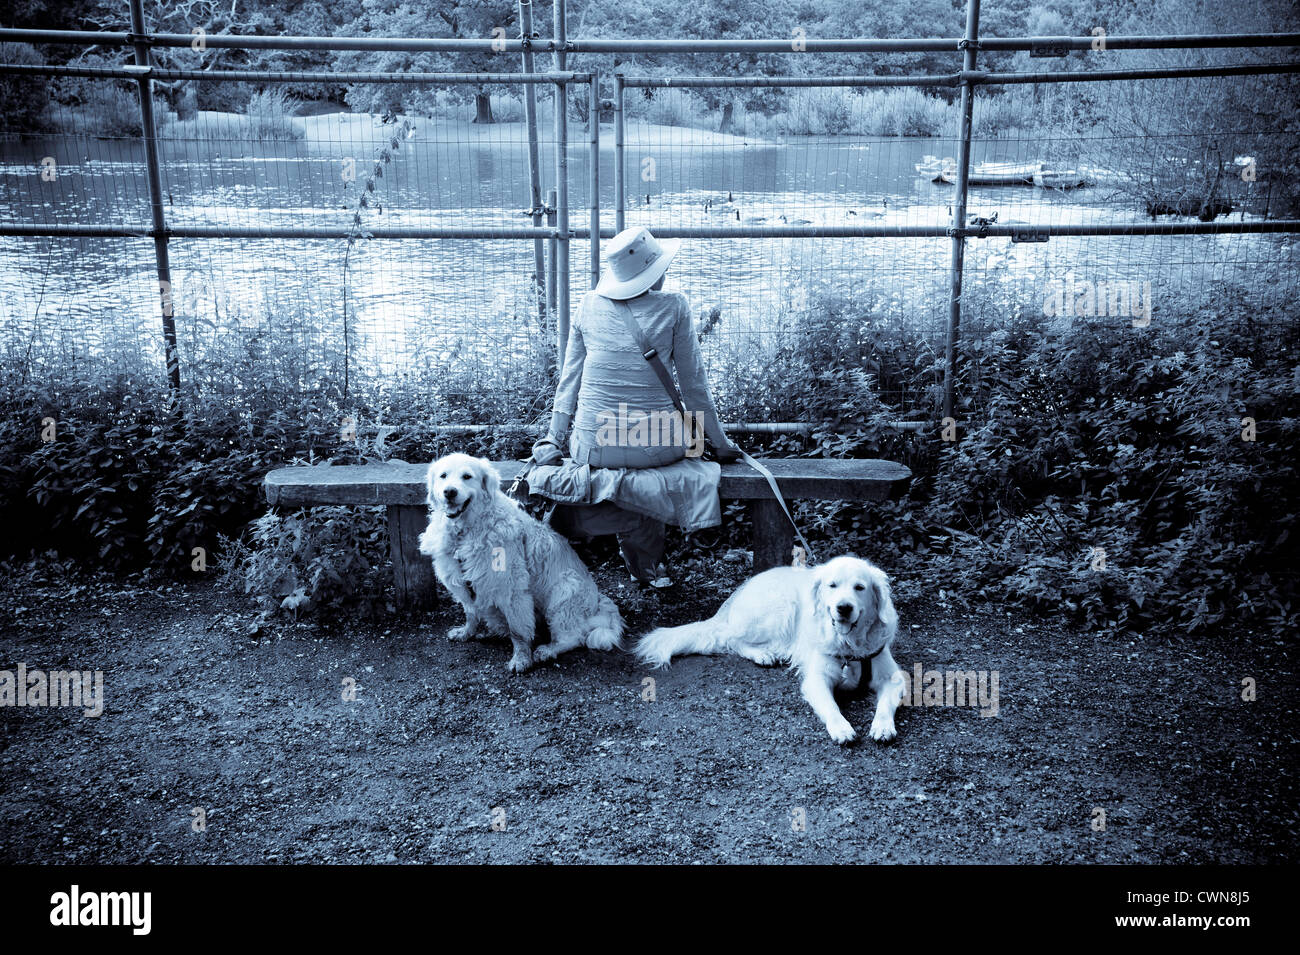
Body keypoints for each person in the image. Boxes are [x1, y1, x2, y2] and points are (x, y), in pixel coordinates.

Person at [532, 227, 740, 587]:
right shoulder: (675, 306)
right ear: (655, 272)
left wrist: (553, 438)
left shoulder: (586, 304)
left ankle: (637, 563)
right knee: (669, 447)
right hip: (658, 447)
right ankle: (645, 566)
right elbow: (695, 391)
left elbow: (569, 382)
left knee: (630, 458)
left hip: (591, 447)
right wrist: (720, 446)